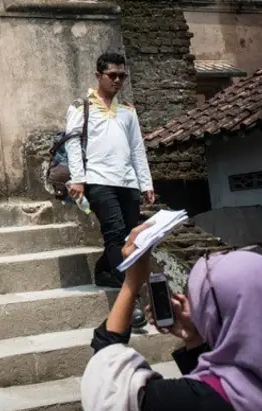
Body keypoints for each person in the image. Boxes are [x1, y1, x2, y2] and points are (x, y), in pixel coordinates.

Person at [80, 223, 262, 411]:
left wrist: (132, 281)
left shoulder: (193, 404)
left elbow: (108, 387)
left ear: (214, 318)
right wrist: (195, 339)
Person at [64, 51, 155, 327]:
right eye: (112, 75)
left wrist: (146, 182)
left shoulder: (128, 110)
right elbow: (71, 144)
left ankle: (105, 270)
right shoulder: (81, 107)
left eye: (121, 76)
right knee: (115, 234)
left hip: (126, 182)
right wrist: (78, 179)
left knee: (129, 236)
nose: (117, 80)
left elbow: (137, 148)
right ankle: (132, 300)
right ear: (98, 76)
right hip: (98, 180)